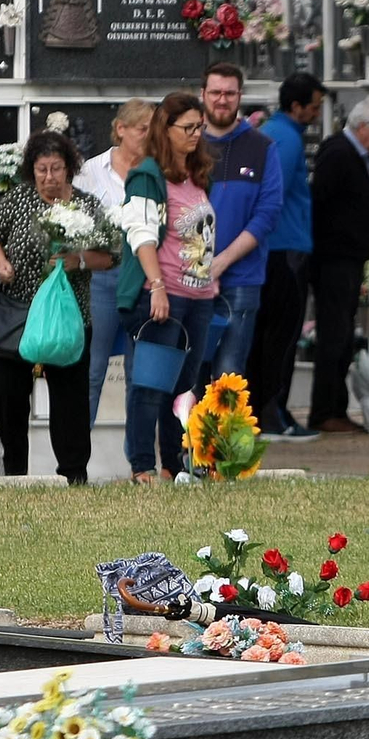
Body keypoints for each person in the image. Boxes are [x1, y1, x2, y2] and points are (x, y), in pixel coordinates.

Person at [0, 131, 118, 483]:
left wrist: (79, 260)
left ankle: (73, 474)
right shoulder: (19, 198)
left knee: (70, 397)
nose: (49, 177)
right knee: (8, 391)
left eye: (56, 168)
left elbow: (111, 255)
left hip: (69, 316)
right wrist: (1, 263)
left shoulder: (86, 205)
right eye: (42, 169)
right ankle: (15, 472)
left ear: (69, 168)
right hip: (19, 315)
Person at [114, 92, 222, 484]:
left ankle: (173, 464)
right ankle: (142, 465)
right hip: (164, 293)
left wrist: (211, 275)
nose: (195, 134)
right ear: (166, 129)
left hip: (199, 296)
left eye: (199, 127)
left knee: (183, 386)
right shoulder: (147, 174)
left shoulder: (196, 175)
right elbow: (140, 234)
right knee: (150, 383)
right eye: (187, 127)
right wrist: (156, 286)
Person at [247, 71, 326, 441]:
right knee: (282, 335)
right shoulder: (287, 138)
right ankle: (271, 412)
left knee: (268, 334)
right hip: (284, 247)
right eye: (314, 106)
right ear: (296, 106)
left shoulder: (272, 132)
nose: (317, 113)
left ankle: (265, 409)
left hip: (275, 247)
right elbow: (272, 194)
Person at [309, 96, 369, 433]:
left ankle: (336, 407)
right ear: (363, 127)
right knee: (334, 335)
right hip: (334, 260)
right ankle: (325, 411)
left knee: (343, 334)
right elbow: (320, 203)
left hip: (349, 258)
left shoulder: (355, 155)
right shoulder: (338, 153)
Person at [196, 62, 284, 385]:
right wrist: (201, 264)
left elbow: (267, 214)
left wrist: (221, 262)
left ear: (240, 96)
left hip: (242, 279)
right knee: (188, 376)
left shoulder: (262, 147)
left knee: (229, 375)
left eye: (230, 93)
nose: (222, 100)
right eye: (215, 92)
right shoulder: (187, 144)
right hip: (188, 276)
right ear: (202, 94)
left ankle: (224, 425)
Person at [75, 97, 155, 427]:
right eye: (142, 129)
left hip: (144, 278)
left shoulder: (157, 172)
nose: (149, 136)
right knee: (93, 370)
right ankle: (78, 452)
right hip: (103, 276)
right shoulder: (91, 171)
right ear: (120, 129)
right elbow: (73, 219)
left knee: (140, 375)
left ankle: (138, 454)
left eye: (153, 130)